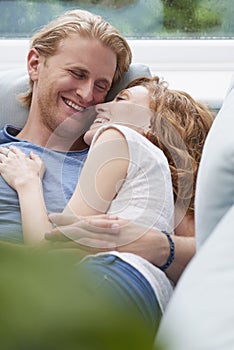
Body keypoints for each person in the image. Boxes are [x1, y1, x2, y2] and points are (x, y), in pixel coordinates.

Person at [0, 76, 214, 339]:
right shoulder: (159, 182)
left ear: (154, 126)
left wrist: (27, 183)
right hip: (148, 298)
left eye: (121, 100)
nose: (100, 107)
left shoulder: (116, 136)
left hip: (110, 276)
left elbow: (50, 253)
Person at [0, 8, 131, 243]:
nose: (87, 94)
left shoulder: (109, 165)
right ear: (35, 64)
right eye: (77, 73)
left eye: (101, 85)